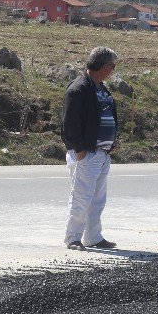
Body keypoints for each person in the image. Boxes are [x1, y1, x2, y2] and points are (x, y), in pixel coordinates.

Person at [61, 47, 120, 250]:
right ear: (105, 66)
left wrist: (113, 140)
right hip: (87, 154)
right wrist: (80, 151)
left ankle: (93, 237)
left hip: (102, 154)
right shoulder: (79, 89)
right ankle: (73, 238)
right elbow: (70, 124)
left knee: (97, 200)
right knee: (81, 198)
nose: (113, 70)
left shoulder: (101, 88)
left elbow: (107, 116)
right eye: (113, 66)